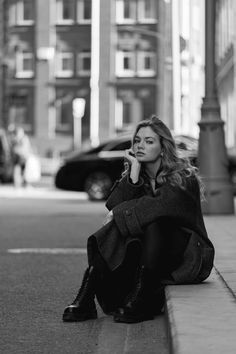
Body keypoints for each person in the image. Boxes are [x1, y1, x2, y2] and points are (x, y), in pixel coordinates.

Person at [62, 115, 215, 324]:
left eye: (149, 141)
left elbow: (158, 207)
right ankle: (87, 294)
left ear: (163, 147)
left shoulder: (183, 177)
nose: (140, 145)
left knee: (154, 222)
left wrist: (118, 213)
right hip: (152, 256)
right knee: (125, 226)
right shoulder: (139, 175)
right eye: (137, 141)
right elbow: (114, 205)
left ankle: (144, 298)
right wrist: (133, 175)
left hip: (188, 254)